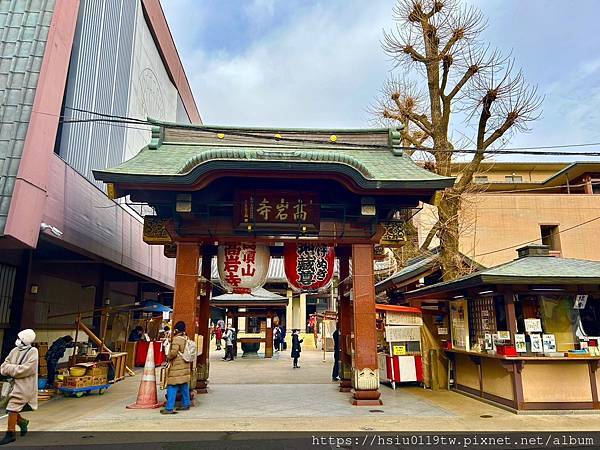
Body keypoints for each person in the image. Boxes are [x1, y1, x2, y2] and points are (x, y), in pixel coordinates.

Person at [0, 329, 38, 445]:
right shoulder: (14, 350)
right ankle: (22, 422)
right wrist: (13, 369)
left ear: (25, 340)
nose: (17, 340)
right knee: (9, 407)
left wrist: (10, 369)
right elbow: (3, 366)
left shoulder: (33, 351)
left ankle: (10, 433)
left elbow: (26, 369)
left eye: (19, 338)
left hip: (25, 386)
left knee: (12, 407)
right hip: (13, 385)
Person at [161, 321, 191, 415]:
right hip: (185, 365)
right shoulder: (186, 338)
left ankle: (169, 408)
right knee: (183, 385)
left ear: (177, 330)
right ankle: (186, 404)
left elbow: (173, 353)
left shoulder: (177, 339)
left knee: (172, 386)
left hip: (177, 366)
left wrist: (168, 357)